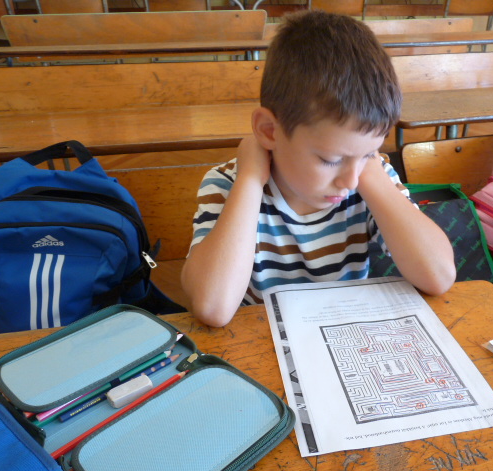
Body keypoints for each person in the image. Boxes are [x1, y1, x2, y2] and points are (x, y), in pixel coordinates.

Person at [181, 10, 455, 327]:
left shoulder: (366, 178)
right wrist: (250, 180)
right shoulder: (227, 184)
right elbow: (213, 307)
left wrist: (371, 172)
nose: (349, 180)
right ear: (269, 131)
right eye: (331, 160)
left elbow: (438, 277)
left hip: (346, 333)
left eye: (368, 153)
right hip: (259, 339)